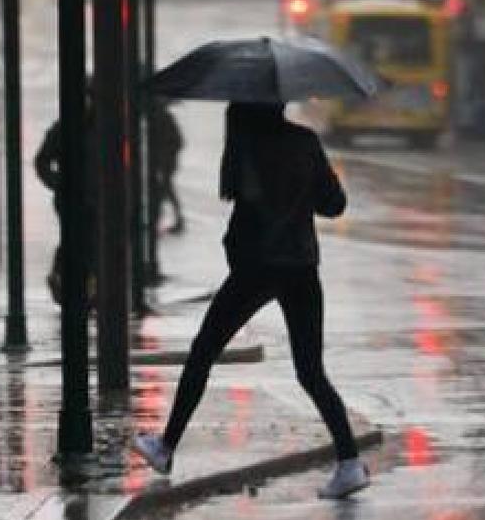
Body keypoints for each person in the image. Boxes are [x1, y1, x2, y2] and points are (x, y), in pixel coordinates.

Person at [132, 103, 368, 500]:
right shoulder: (305, 141)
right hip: (302, 267)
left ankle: (166, 447)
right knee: (311, 371)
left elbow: (247, 215)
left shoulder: (247, 147)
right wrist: (302, 190)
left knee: (203, 353)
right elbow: (334, 205)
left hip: (257, 269)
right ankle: (349, 463)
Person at [35, 97, 100, 306]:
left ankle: (88, 290)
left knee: (92, 243)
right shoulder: (62, 129)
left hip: (97, 200)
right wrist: (58, 183)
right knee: (76, 241)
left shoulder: (104, 127)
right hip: (70, 200)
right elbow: (42, 161)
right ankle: (69, 284)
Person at [148, 98, 186, 235]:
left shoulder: (163, 118)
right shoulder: (158, 118)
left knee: (163, 190)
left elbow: (178, 141)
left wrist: (165, 155)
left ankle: (167, 219)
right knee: (165, 190)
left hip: (165, 162)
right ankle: (176, 219)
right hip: (162, 161)